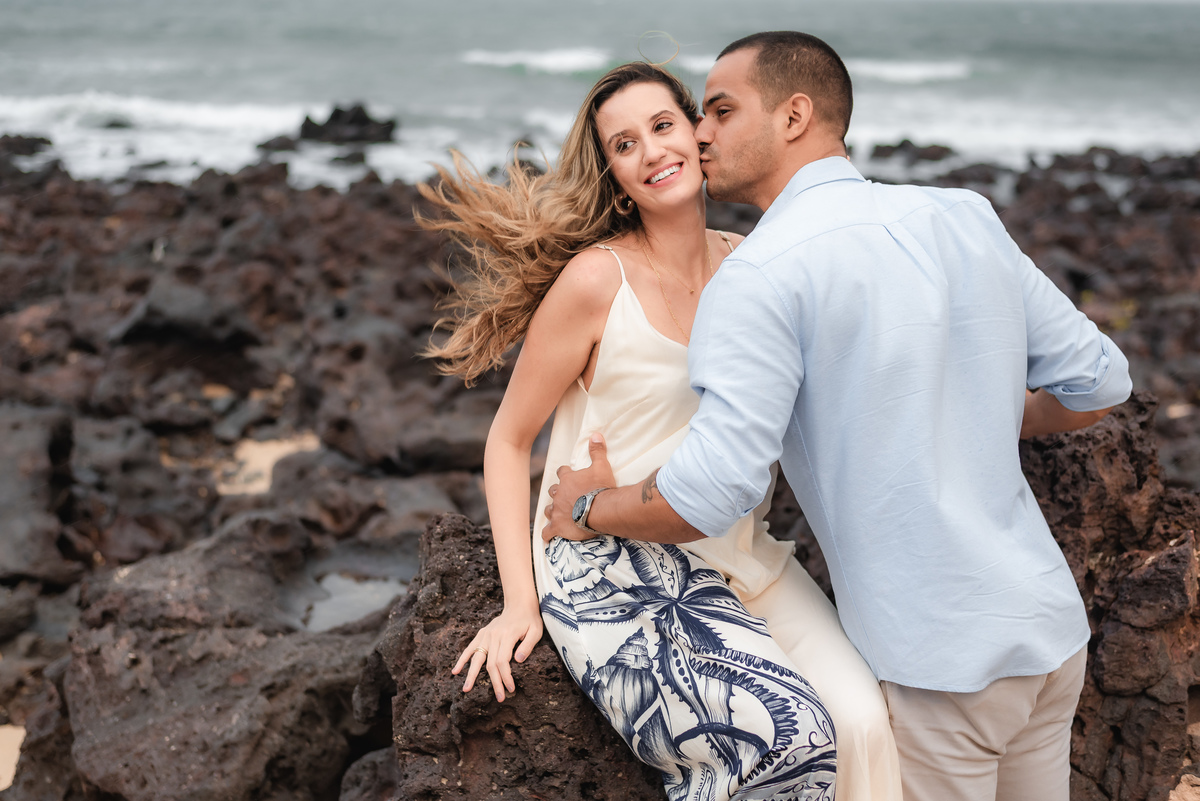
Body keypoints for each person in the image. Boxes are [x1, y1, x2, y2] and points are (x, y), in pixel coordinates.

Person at [544, 31, 1133, 801]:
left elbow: (710, 494)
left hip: (941, 663)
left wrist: (589, 507)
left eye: (719, 110)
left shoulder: (758, 274)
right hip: (1050, 632)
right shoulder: (963, 215)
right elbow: (1101, 382)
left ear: (795, 115)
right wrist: (978, 405)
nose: (700, 132)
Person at [421, 61, 903, 801]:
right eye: (624, 144)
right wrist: (521, 600)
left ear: (699, 137)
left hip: (742, 554)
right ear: (615, 176)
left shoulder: (751, 263)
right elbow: (507, 438)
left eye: (662, 126)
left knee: (867, 724)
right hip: (613, 563)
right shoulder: (595, 281)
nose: (650, 151)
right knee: (787, 735)